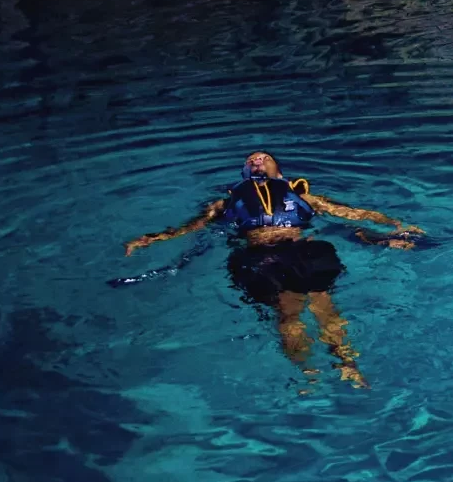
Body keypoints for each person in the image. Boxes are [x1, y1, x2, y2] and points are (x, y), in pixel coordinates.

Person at [124, 151, 423, 387]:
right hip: (259, 254)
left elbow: (350, 212)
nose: (256, 160)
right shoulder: (224, 203)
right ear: (243, 173)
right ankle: (307, 370)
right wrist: (151, 239)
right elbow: (191, 227)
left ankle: (346, 363)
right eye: (251, 160)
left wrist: (395, 225)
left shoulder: (301, 195)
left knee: (324, 303)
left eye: (264, 158)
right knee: (287, 310)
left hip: (303, 249)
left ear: (278, 171)